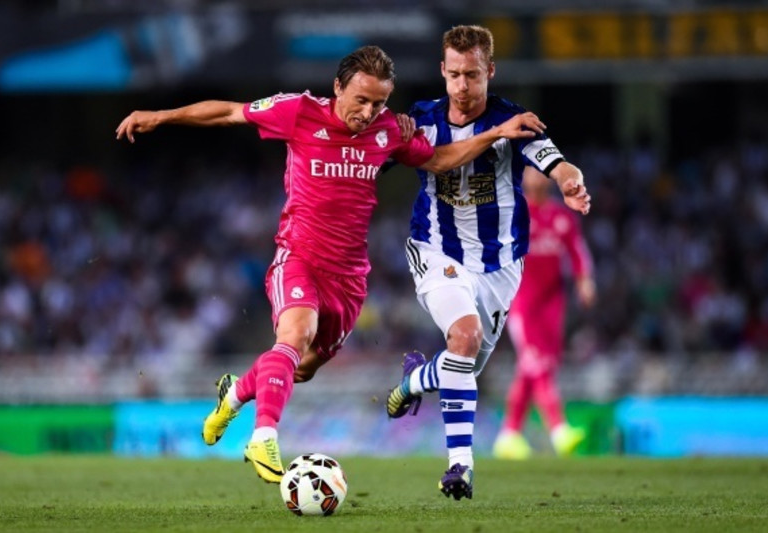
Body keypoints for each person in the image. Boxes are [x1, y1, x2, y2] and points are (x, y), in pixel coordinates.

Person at [116, 45, 547, 484]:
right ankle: (263, 434)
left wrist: (495, 133)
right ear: (338, 87)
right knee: (294, 334)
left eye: (379, 102)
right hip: (298, 256)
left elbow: (438, 160)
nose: (369, 111)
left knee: (302, 366)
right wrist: (161, 116)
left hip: (349, 276)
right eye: (360, 99)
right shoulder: (297, 111)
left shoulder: (389, 132)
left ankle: (235, 394)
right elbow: (228, 112)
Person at [385, 25, 591, 500]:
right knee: (465, 335)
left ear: (490, 71)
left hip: (500, 266)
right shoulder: (421, 120)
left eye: (472, 75)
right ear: (442, 71)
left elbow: (558, 162)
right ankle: (461, 466)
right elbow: (379, 157)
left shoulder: (513, 121)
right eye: (454, 74)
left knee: (464, 367)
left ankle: (417, 379)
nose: (462, 86)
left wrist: (569, 181)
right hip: (437, 249)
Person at [492, 167, 596, 460]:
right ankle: (559, 430)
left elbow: (577, 251)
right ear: (522, 179)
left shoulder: (562, 217)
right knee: (536, 363)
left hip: (553, 304)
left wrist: (585, 280)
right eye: (530, 173)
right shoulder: (511, 213)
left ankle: (508, 435)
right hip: (522, 302)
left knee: (535, 366)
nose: (536, 178)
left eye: (540, 173)